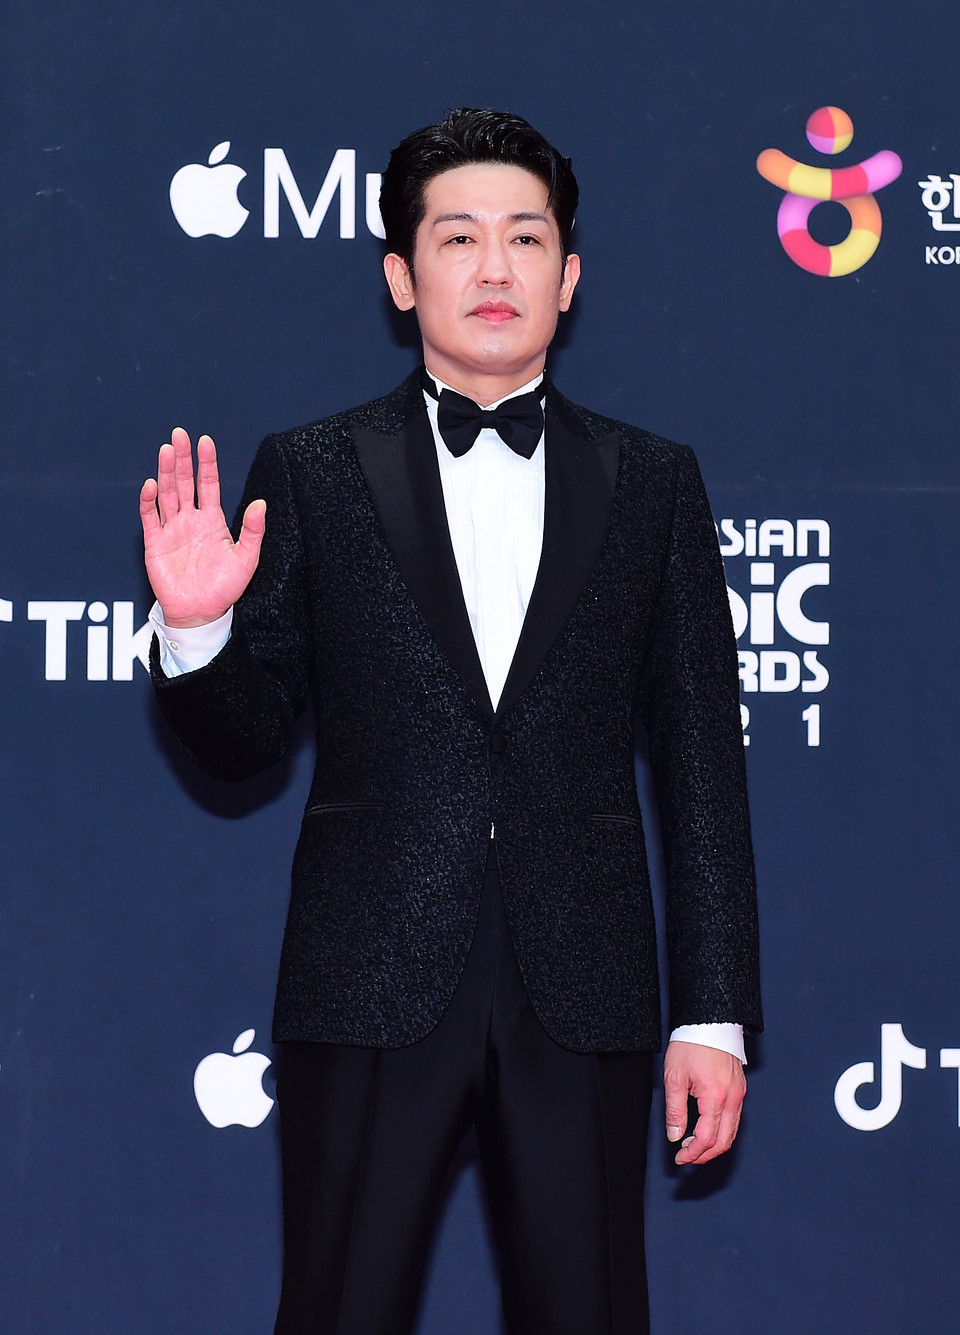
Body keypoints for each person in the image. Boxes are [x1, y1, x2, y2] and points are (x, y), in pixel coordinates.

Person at [140, 108, 761, 1335]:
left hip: (583, 985)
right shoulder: (312, 470)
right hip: (368, 976)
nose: (494, 268)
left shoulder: (654, 481)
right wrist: (198, 631)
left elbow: (703, 765)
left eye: (525, 238)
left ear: (568, 276)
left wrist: (715, 1013)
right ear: (400, 275)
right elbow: (241, 740)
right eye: (459, 237)